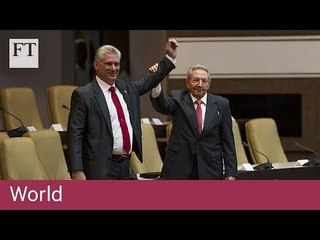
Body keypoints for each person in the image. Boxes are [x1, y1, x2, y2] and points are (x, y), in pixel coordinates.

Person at [67, 38, 178, 180]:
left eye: (116, 64)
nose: (113, 68)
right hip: (99, 169)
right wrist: (77, 170)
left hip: (125, 165)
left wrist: (169, 57)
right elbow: (75, 135)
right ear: (96, 65)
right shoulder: (84, 94)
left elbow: (148, 81)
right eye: (108, 64)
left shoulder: (125, 88)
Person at [150, 64, 237, 180]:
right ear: (187, 82)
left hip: (210, 168)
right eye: (195, 80)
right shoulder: (178, 99)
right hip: (179, 167)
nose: (200, 84)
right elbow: (163, 106)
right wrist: (156, 83)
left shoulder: (222, 104)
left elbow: (228, 141)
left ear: (209, 83)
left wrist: (231, 172)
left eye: (204, 81)